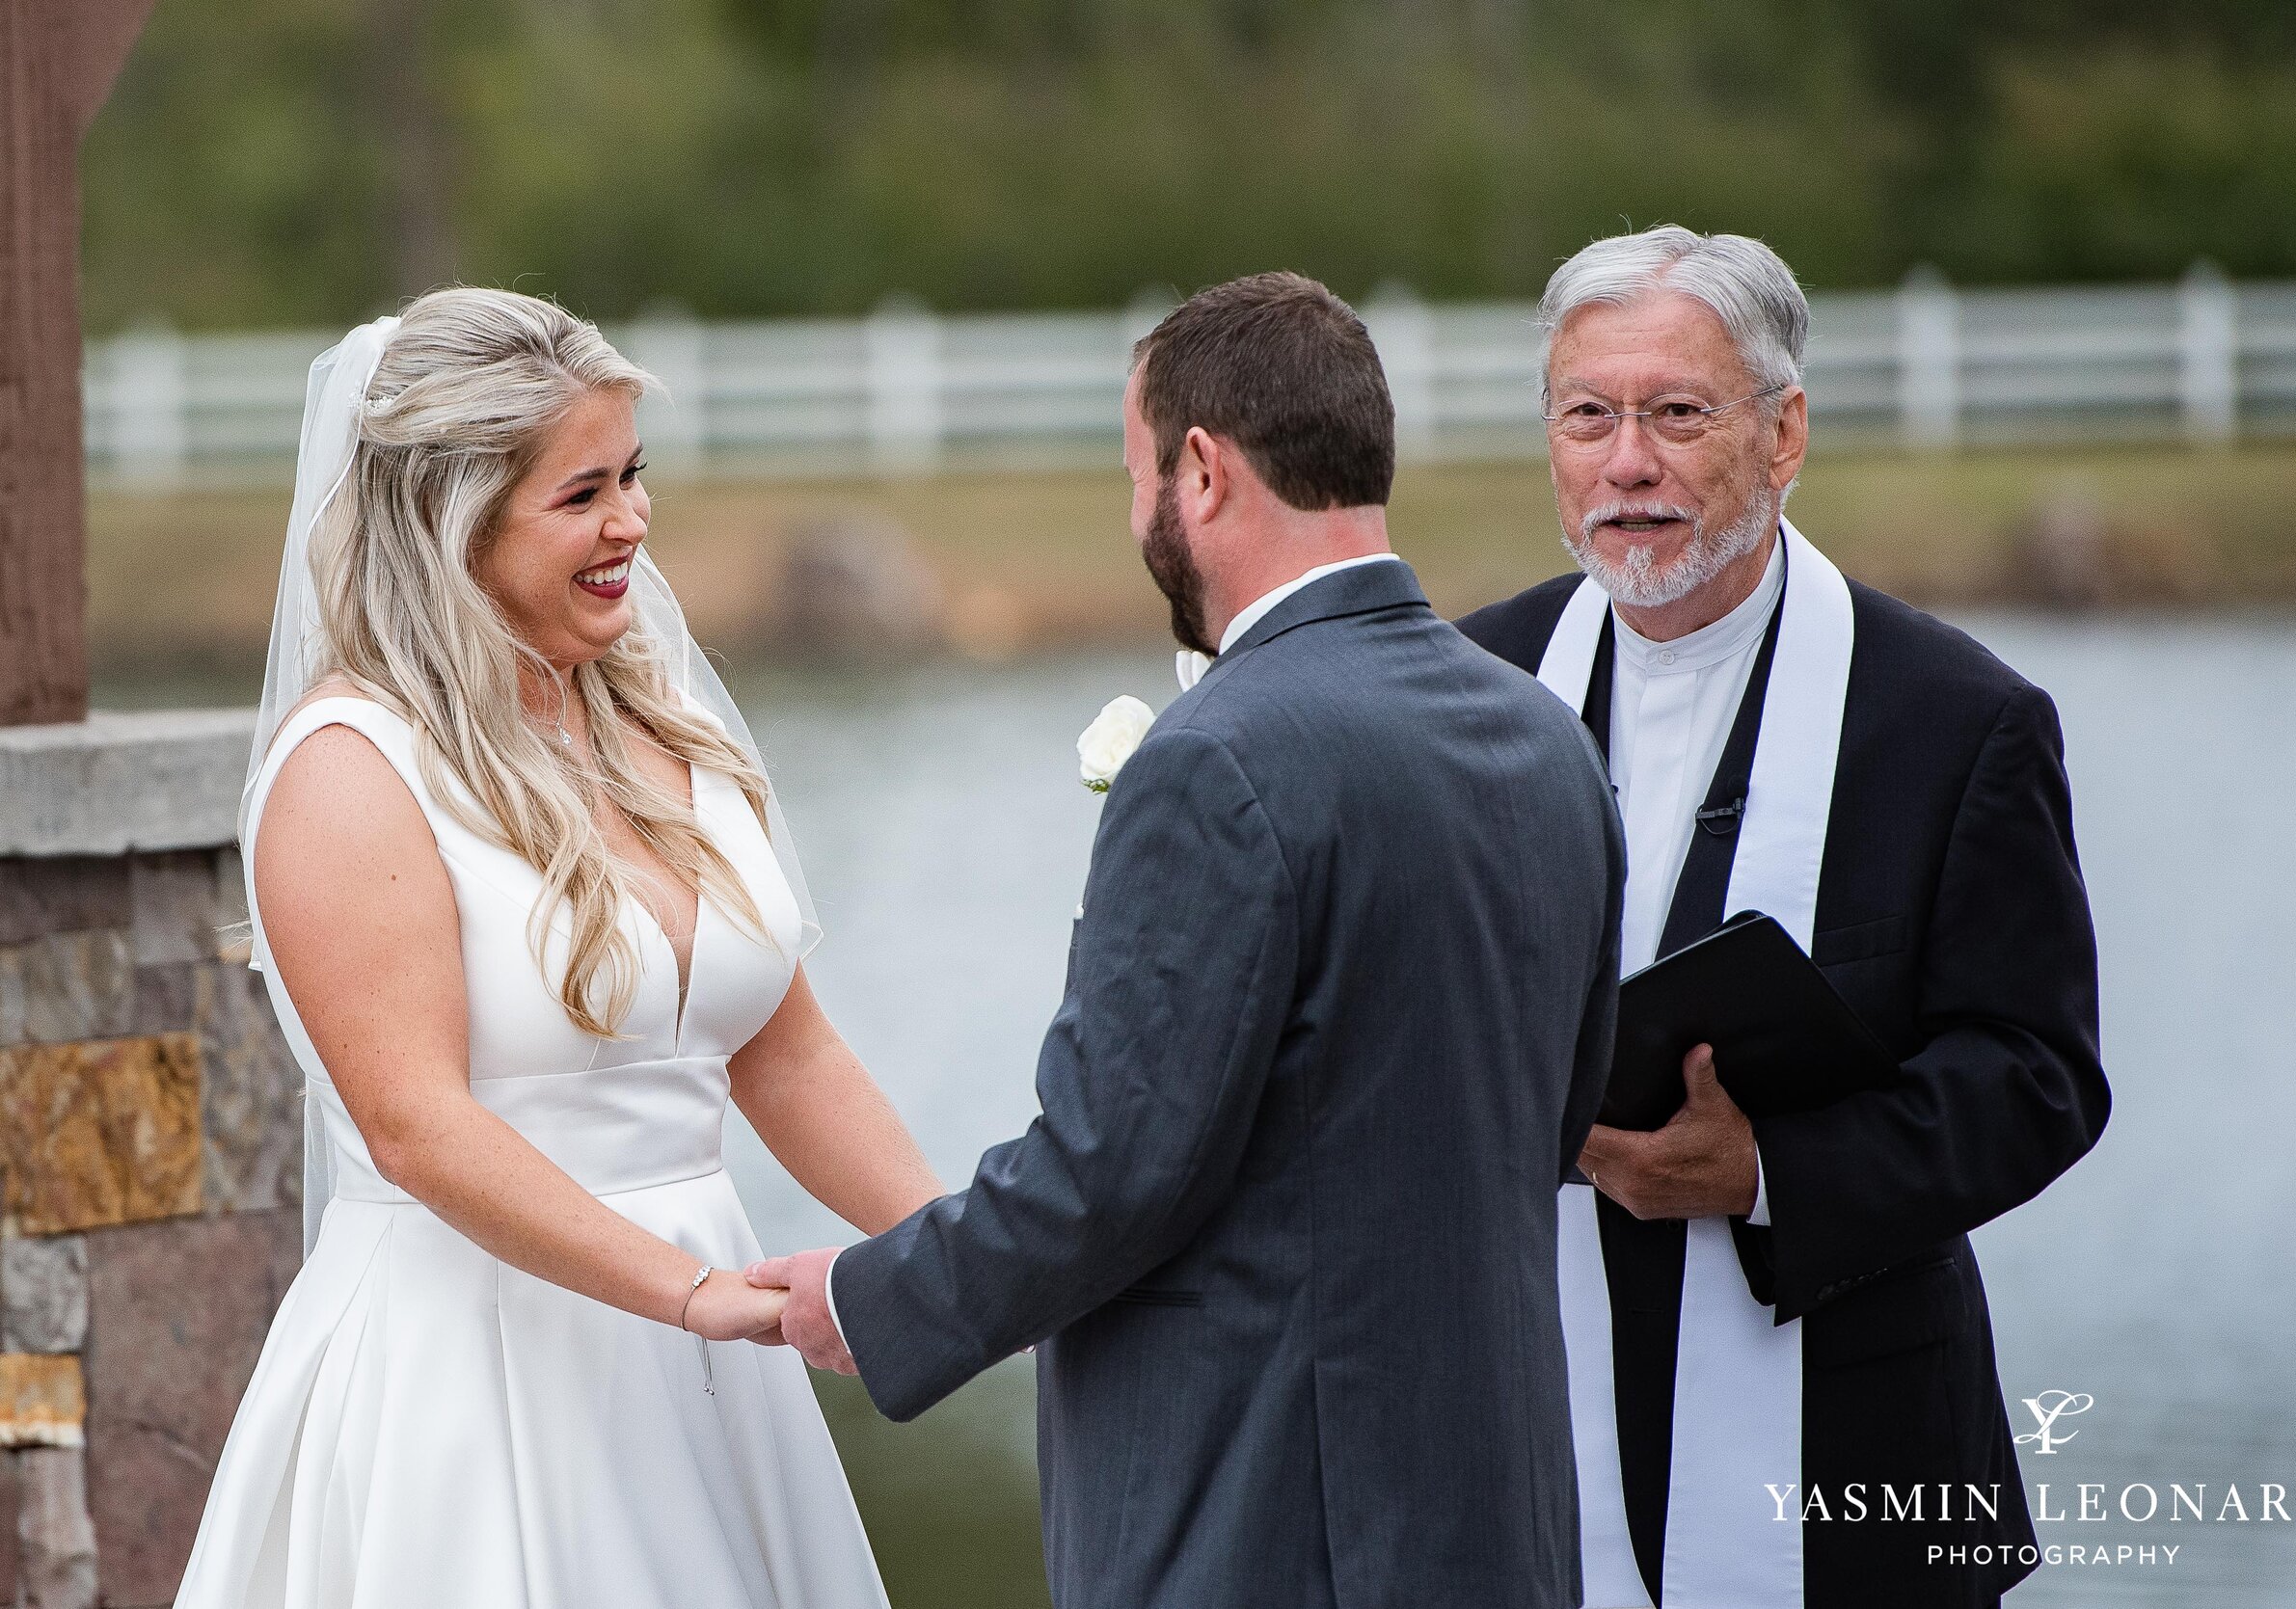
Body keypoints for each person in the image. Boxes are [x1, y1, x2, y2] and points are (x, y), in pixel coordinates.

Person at [750, 272, 1625, 1609]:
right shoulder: (1544, 736)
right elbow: (1558, 1112)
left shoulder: (1217, 759)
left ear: (1202, 471)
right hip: (1495, 1521)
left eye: (1135, 474)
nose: (1135, 516)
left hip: (1268, 1525)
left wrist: (872, 1298)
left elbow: (1108, 1170)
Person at [175, 288, 941, 1609]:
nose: (634, 522)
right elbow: (416, 1125)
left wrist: (970, 1260)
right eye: (583, 492)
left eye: (633, 475)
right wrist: (692, 1291)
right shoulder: (353, 769)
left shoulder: (666, 725)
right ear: (450, 517)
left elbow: (788, 1050)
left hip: (706, 1373)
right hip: (475, 1370)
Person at [1456, 226, 2112, 1609]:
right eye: (1590, 415)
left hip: (1856, 1467)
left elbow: (2038, 1078)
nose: (1626, 461)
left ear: (1784, 431)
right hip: (1517, 1446)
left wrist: (1765, 1172)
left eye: (1677, 413)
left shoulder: (1955, 722)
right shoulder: (1472, 684)